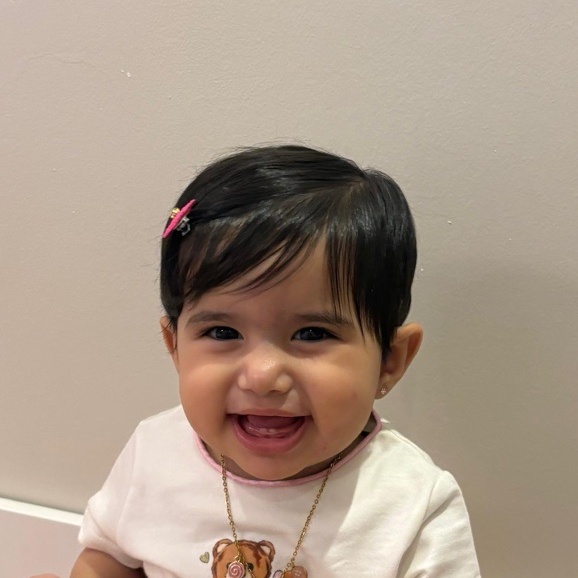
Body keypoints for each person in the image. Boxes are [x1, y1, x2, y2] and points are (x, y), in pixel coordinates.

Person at [35, 145, 480, 578]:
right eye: (222, 333)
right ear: (175, 348)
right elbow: (110, 557)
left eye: (312, 334)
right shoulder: (155, 451)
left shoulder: (414, 503)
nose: (262, 376)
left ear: (389, 361)